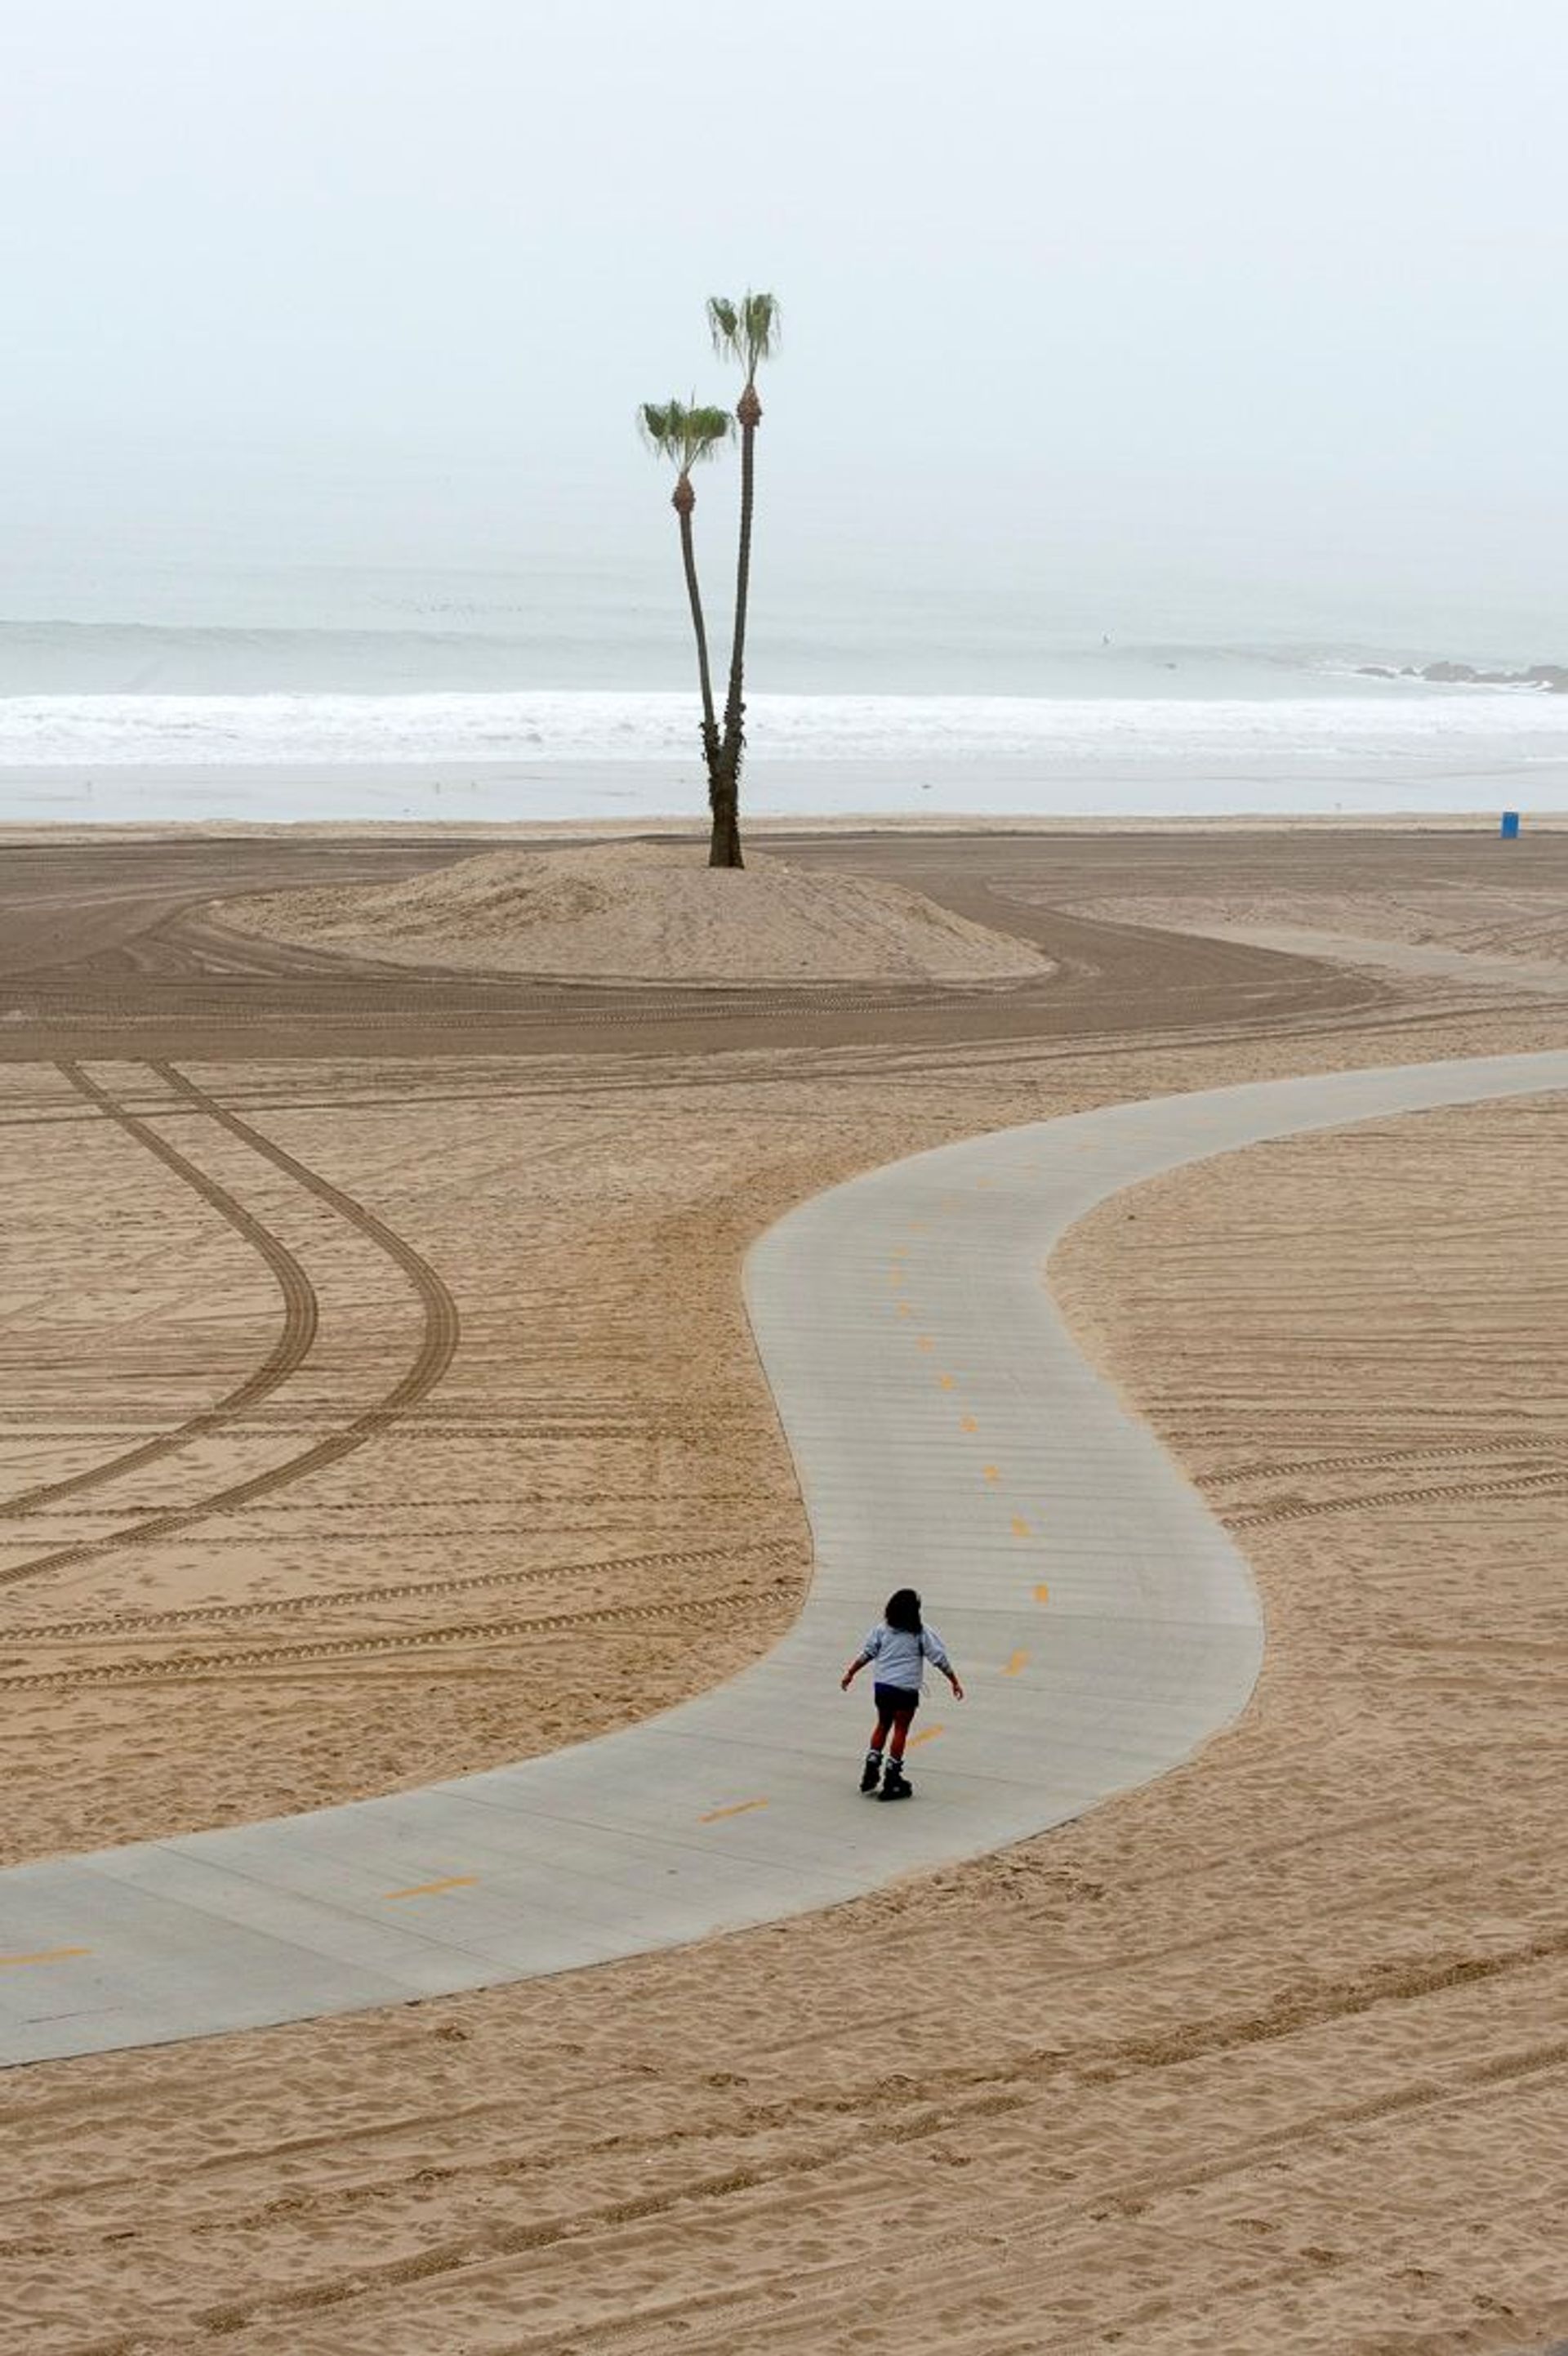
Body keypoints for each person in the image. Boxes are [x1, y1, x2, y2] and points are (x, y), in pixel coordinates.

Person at [840, 1587, 964, 1801]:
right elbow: (939, 1658)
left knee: (882, 1725)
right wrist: (954, 1681)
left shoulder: (882, 1629)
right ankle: (892, 1778)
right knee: (900, 1730)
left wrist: (850, 1673)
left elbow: (867, 1653)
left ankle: (871, 1768)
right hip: (905, 1690)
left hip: (883, 1687)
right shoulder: (921, 1633)